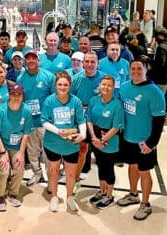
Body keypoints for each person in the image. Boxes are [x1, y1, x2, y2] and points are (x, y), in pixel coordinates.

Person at [118, 59, 166, 220]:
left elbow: (159, 121)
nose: (136, 71)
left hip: (144, 142)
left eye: (140, 68)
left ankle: (145, 204)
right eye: (133, 68)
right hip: (128, 138)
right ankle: (133, 194)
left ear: (146, 70)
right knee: (132, 166)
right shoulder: (124, 87)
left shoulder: (154, 92)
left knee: (144, 171)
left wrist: (151, 143)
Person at [41, 71, 86, 212]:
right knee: (53, 171)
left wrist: (82, 135)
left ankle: (70, 197)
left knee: (71, 174)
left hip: (70, 145)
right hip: (52, 143)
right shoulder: (49, 101)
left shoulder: (76, 101)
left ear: (70, 86)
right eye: (59, 84)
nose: (62, 87)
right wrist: (57, 131)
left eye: (65, 84)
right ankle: (54, 197)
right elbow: (44, 121)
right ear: (55, 85)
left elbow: (81, 121)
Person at [0, 84, 33, 211]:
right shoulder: (0, 111)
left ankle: (13, 193)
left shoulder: (26, 111)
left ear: (22, 96)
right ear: (9, 95)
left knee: (19, 167)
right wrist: (3, 153)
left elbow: (26, 134)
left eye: (19, 95)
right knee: (4, 170)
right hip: (0, 145)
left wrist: (21, 153)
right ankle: (0, 195)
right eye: (14, 94)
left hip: (16, 145)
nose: (16, 97)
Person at [17, 50, 55, 187]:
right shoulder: (21, 78)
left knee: (48, 152)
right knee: (32, 151)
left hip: (45, 122)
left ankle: (51, 178)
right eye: (28, 59)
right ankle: (37, 174)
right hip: (29, 122)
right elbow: (20, 100)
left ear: (38, 61)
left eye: (34, 58)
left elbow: (54, 99)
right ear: (25, 61)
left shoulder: (48, 76)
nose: (31, 61)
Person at [71, 51, 106, 193]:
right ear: (83, 63)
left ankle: (105, 187)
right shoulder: (77, 79)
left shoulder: (104, 79)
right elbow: (71, 100)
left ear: (98, 63)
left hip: (100, 120)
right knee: (82, 150)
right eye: (87, 61)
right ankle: (76, 179)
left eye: (93, 62)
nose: (90, 65)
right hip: (82, 120)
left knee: (102, 155)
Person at [87, 75, 124, 209]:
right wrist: (94, 138)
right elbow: (89, 120)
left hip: (110, 142)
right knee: (100, 166)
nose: (106, 87)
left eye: (109, 85)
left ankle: (109, 195)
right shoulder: (94, 100)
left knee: (108, 169)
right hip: (95, 139)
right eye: (103, 84)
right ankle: (101, 191)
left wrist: (102, 141)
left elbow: (116, 127)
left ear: (114, 88)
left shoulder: (117, 104)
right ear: (99, 85)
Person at [145, 26, 167, 95]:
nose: (155, 40)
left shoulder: (162, 47)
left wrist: (148, 60)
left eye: (155, 37)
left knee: (155, 100)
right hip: (166, 78)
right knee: (160, 100)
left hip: (159, 79)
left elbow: (159, 65)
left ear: (160, 36)